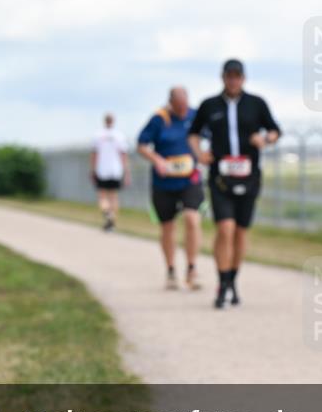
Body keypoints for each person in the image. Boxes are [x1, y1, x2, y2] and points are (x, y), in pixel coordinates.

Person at [188, 59, 280, 308]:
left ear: (243, 78)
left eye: (237, 76)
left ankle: (232, 279)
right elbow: (193, 133)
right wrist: (199, 154)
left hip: (249, 177)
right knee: (224, 229)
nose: (233, 80)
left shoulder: (256, 104)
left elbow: (274, 130)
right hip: (220, 177)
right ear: (223, 78)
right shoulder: (209, 105)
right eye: (229, 76)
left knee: (240, 231)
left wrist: (265, 139)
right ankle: (221, 281)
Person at [137, 87, 205, 291]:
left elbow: (210, 136)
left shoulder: (195, 117)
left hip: (190, 178)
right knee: (167, 226)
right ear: (171, 103)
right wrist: (156, 159)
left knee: (192, 219)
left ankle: (192, 269)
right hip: (164, 181)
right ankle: (171, 270)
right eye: (179, 106)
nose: (183, 109)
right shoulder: (160, 119)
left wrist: (203, 155)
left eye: (185, 104)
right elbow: (141, 144)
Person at [91, 113, 131, 231]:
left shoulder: (98, 135)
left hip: (102, 170)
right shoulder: (119, 136)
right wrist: (126, 171)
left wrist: (93, 170)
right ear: (113, 121)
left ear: (104, 121)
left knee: (102, 196)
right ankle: (112, 219)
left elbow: (94, 154)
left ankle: (107, 214)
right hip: (116, 170)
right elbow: (123, 155)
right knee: (113, 196)